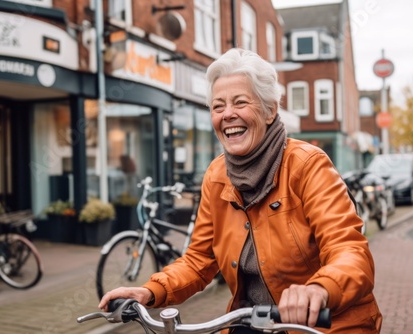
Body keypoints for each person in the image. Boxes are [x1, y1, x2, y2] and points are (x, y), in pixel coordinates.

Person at [99, 48, 382, 333]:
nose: (228, 115)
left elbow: (349, 250)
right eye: (218, 106)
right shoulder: (217, 175)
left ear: (270, 110)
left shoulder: (308, 165)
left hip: (326, 324)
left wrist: (320, 289)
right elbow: (199, 260)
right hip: (252, 322)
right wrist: (149, 292)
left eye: (240, 102)